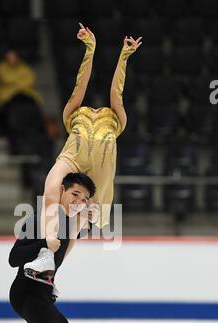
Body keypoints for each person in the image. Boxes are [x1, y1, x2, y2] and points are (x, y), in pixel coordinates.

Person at [24, 23, 142, 282]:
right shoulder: (71, 114)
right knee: (51, 196)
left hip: (100, 168)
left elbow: (116, 93)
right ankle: (46, 251)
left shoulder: (117, 118)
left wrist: (124, 57)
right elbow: (80, 86)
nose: (97, 109)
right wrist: (90, 49)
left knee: (82, 221)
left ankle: (53, 269)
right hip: (72, 157)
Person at [9, 172, 96, 323]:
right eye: (74, 194)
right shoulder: (40, 220)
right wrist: (43, 243)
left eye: (84, 199)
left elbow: (76, 236)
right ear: (61, 191)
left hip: (44, 294)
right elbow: (13, 258)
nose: (78, 201)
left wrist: (86, 219)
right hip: (25, 292)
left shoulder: (67, 224)